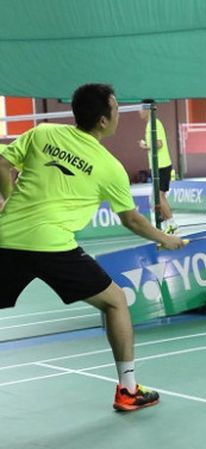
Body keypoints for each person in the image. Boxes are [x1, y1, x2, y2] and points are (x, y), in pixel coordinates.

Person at [0, 83, 185, 410]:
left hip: (7, 237)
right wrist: (165, 238)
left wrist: (8, 200)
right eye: (115, 109)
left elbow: (2, 163)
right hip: (54, 246)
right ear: (103, 120)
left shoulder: (43, 133)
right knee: (115, 302)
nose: (117, 114)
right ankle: (128, 391)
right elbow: (132, 221)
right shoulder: (110, 167)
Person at [138, 99, 178, 233]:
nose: (139, 112)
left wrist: (145, 146)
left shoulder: (154, 123)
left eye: (141, 109)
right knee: (157, 198)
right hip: (157, 166)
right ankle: (168, 225)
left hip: (162, 165)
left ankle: (172, 226)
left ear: (148, 109)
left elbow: (159, 144)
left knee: (158, 197)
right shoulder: (150, 124)